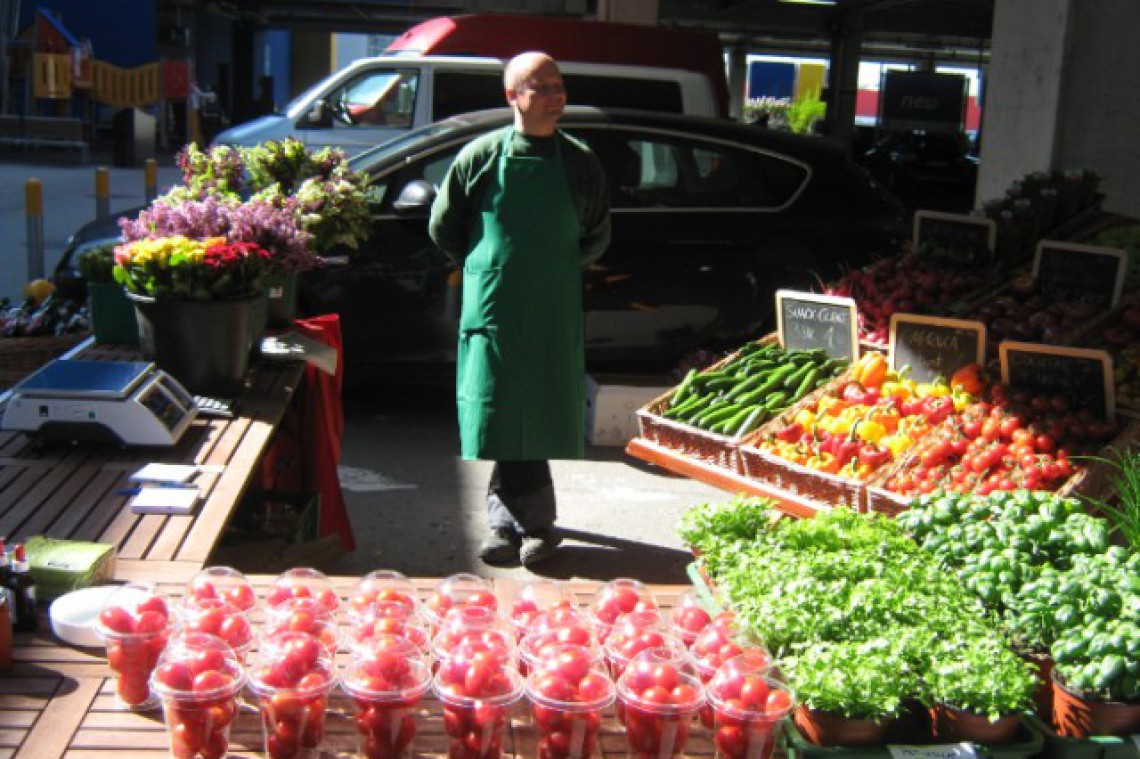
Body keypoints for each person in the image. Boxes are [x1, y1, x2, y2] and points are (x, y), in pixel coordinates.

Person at [428, 52, 611, 567]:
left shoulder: (579, 162)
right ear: (513, 96)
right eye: (541, 86)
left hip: (552, 306)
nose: (555, 95)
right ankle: (531, 525)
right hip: (494, 306)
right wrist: (489, 265)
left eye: (559, 85)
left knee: (538, 410)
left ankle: (514, 525)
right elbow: (445, 226)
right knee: (502, 412)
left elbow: (596, 233)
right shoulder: (480, 156)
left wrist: (548, 268)